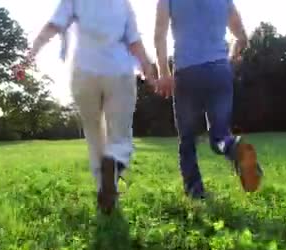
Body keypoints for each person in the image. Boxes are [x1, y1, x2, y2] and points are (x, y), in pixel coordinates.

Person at [18, 0, 155, 212]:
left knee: (94, 136)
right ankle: (114, 162)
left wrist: (28, 58)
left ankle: (104, 191)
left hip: (84, 71)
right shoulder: (123, 5)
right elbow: (134, 42)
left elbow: (52, 26)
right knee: (119, 134)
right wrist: (147, 67)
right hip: (118, 73)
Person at [153, 0, 263, 199]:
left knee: (187, 140)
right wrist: (231, 56)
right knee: (220, 137)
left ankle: (195, 192)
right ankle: (233, 147)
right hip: (219, 71)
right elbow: (242, 38)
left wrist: (164, 72)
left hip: (187, 73)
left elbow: (160, 34)